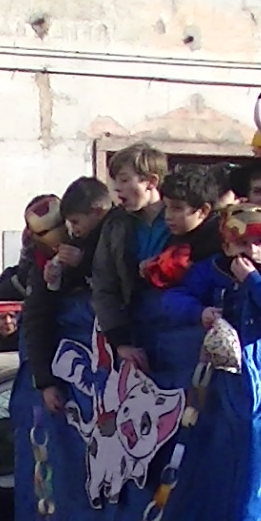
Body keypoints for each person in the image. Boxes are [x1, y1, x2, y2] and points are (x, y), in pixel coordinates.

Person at [163, 202, 261, 337]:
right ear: (227, 248)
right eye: (242, 243)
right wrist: (199, 312)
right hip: (227, 358)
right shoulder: (214, 268)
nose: (252, 249)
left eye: (260, 241)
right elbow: (172, 299)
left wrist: (254, 281)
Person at [29, 176, 115, 415]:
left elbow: (122, 277)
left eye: (73, 222)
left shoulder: (115, 231)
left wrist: (83, 262)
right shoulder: (42, 259)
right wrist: (44, 380)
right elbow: (37, 315)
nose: (70, 231)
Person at [89, 142, 170, 369]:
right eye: (115, 182)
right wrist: (120, 341)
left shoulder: (182, 217)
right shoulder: (116, 224)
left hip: (181, 330)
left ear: (151, 182)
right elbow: (104, 283)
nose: (117, 189)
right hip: (139, 333)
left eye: (125, 180)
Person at [140, 164, 222, 292]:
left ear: (203, 210)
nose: (168, 216)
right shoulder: (176, 238)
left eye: (177, 208)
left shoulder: (222, 242)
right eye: (166, 207)